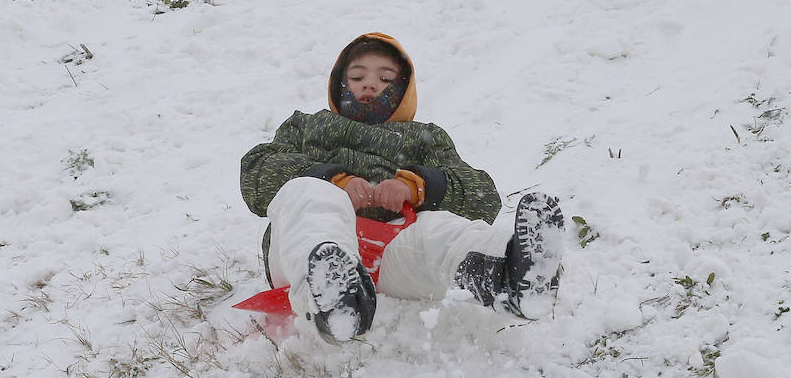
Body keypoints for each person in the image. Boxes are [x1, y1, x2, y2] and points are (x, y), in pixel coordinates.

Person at [240, 32, 564, 344]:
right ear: (340, 83)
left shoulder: (424, 137)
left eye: (385, 79)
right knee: (308, 194)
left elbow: (483, 198)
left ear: (404, 89)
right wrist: (331, 180)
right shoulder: (306, 126)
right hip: (304, 248)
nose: (370, 84)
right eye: (357, 76)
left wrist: (417, 186)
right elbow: (257, 172)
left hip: (392, 250)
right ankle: (333, 293)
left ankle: (511, 272)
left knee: (437, 231)